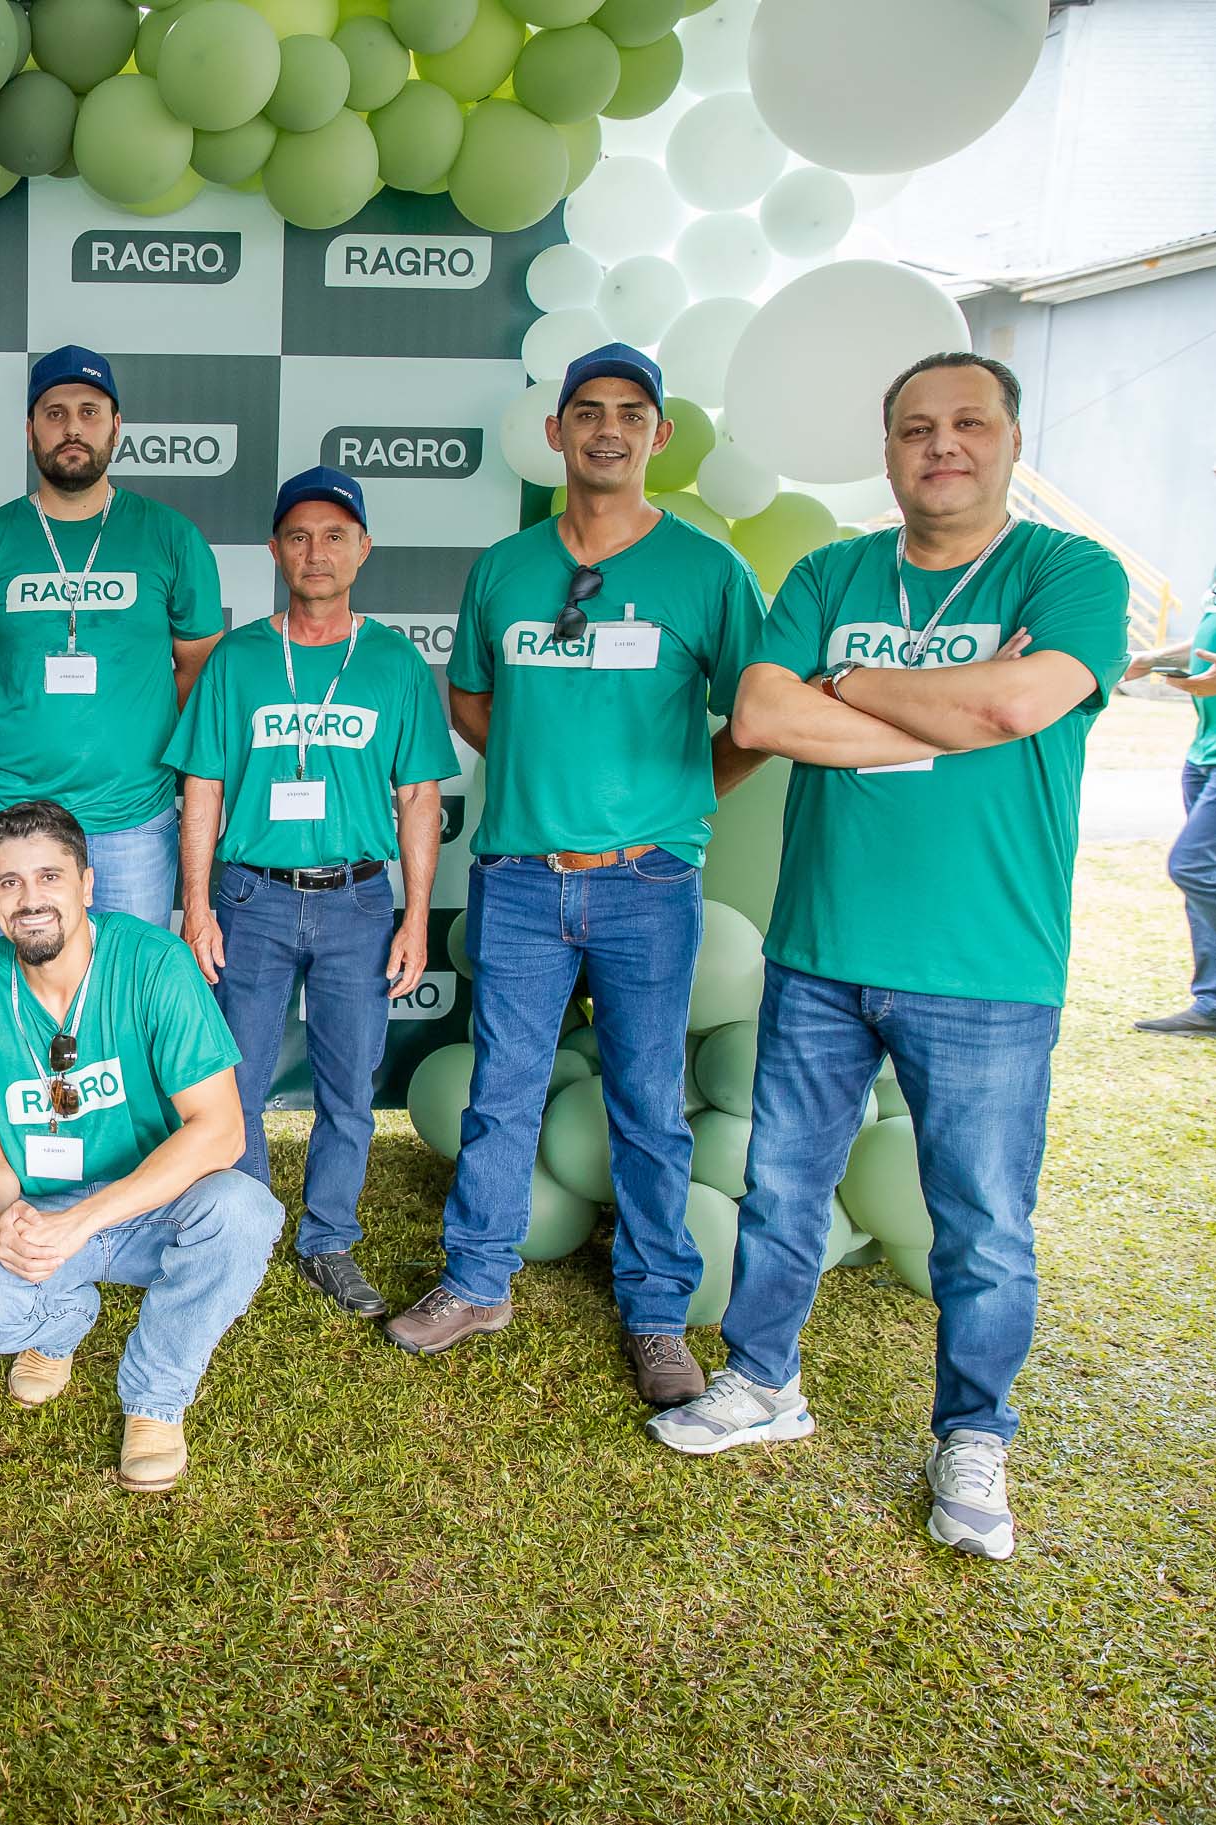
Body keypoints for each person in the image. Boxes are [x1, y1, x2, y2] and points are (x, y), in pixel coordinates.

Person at [649, 352, 1130, 1563]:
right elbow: (760, 717)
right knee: (783, 1187)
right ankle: (762, 1379)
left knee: (980, 1220)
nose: (941, 445)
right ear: (887, 449)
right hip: (819, 948)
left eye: (968, 423)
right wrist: (949, 694)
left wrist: (851, 682)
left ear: (1011, 441)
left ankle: (972, 1434)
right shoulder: (829, 569)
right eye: (915, 427)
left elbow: (1011, 713)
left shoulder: (1067, 571)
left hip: (983, 962)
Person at [391, 342, 767, 1411]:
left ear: (656, 434)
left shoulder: (705, 571)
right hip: (516, 879)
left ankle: (654, 1313)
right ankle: (475, 1282)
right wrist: (537, 770)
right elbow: (469, 700)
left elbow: (758, 713)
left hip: (648, 881)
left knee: (646, 1101)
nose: (607, 427)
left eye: (630, 412)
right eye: (586, 410)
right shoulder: (504, 568)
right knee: (501, 1092)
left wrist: (680, 797)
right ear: (554, 433)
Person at [167, 468, 459, 1317]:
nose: (316, 551)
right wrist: (197, 903)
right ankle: (246, 1231)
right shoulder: (240, 658)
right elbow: (204, 789)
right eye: (299, 536)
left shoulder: (396, 662)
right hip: (251, 897)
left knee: (348, 1086)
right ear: (275, 551)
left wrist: (414, 915)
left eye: (336, 535)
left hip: (358, 902)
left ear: (363, 549)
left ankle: (328, 1238)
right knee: (235, 1082)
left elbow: (419, 798)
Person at [0, 800, 279, 1493]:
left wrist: (84, 1220)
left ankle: (155, 1398)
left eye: (50, 877)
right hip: (43, 1208)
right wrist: (1, 1219)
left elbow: (221, 1129)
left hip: (153, 1204)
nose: (32, 900)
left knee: (244, 1211)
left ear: (88, 883)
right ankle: (62, 1321)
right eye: (9, 882)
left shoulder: (155, 962)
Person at [0, 346, 224, 946]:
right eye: (55, 412)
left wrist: (127, 728)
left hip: (133, 821)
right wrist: (17, 730)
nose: (72, 428)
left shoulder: (170, 538)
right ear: (30, 430)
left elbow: (197, 670)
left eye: (89, 412)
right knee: (5, 997)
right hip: (9, 815)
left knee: (126, 998)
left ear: (116, 427)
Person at [1124, 571, 1216, 1035]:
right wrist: (1154, 658)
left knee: (1194, 866)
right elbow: (1205, 642)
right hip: (1204, 752)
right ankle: (1213, 1003)